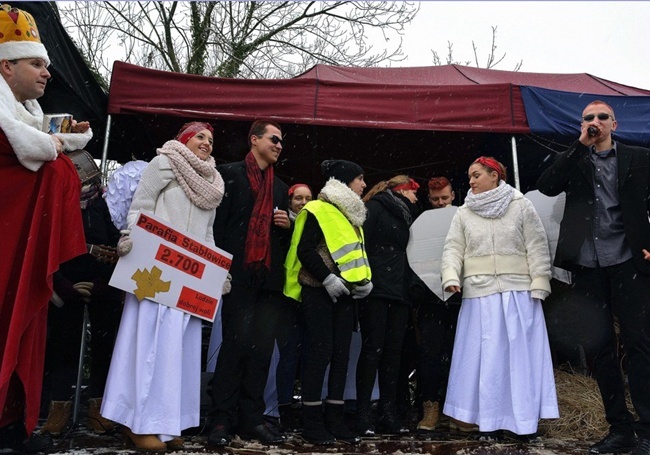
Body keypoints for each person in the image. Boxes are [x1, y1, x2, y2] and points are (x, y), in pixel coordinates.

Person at [0, 5, 92, 451]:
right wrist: (56, 150)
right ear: (6, 65)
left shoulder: (23, 120)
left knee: (23, 332)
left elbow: (42, 152)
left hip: (22, 248)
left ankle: (11, 426)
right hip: (7, 249)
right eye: (37, 62)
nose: (47, 73)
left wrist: (60, 140)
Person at [101, 122, 224, 452]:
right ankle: (137, 422)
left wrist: (216, 274)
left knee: (178, 352)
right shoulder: (165, 162)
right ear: (185, 139)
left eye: (211, 140)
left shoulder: (213, 182)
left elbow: (207, 234)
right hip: (154, 270)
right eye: (200, 136)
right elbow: (140, 205)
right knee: (149, 347)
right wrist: (130, 237)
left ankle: (168, 425)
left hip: (188, 279)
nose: (206, 143)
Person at [537, 101, 650, 455]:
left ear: (614, 124)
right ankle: (620, 429)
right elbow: (546, 186)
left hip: (629, 260)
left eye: (602, 117)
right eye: (588, 118)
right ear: (582, 125)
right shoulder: (576, 157)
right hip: (588, 264)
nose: (595, 122)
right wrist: (578, 146)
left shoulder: (639, 157)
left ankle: (647, 431)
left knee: (639, 345)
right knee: (600, 348)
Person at [441, 156, 558, 438]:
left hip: (518, 293)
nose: (471, 180)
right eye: (469, 176)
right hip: (479, 295)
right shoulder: (464, 213)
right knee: (484, 362)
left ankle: (523, 423)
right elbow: (453, 248)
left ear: (495, 175)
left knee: (519, 361)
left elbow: (537, 245)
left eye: (477, 174)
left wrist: (540, 281)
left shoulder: (520, 206)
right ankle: (487, 422)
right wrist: (450, 276)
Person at [207, 120, 291, 446]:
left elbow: (286, 244)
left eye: (282, 141)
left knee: (261, 353)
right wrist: (219, 269)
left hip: (268, 283)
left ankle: (251, 420)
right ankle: (220, 421)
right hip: (236, 276)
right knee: (233, 349)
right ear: (254, 139)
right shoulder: (227, 174)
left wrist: (287, 226)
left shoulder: (281, 188)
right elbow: (217, 227)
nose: (279, 145)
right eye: (274, 139)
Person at [284, 159, 372, 445]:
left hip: (346, 294)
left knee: (341, 356)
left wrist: (365, 282)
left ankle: (334, 418)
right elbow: (305, 250)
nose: (364, 185)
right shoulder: (317, 209)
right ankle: (311, 422)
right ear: (346, 182)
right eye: (360, 179)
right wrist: (327, 279)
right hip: (319, 292)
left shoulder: (353, 215)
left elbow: (355, 256)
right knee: (319, 353)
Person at [40, 161, 122, 436]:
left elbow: (116, 248)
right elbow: (47, 246)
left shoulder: (100, 206)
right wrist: (63, 284)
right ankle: (58, 409)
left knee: (105, 348)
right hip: (66, 286)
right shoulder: (55, 205)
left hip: (100, 287)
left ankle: (98, 409)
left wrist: (102, 283)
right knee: (63, 349)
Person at [355, 175, 420, 436]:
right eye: (416, 192)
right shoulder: (376, 208)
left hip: (399, 289)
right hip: (378, 288)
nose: (418, 198)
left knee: (393, 352)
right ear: (404, 190)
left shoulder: (407, 216)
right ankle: (362, 412)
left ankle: (387, 410)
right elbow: (363, 245)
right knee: (374, 349)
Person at [413, 176, 461, 432]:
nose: (441, 203)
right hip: (431, 300)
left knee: (461, 354)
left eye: (445, 197)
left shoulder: (465, 218)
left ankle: (459, 410)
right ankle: (430, 407)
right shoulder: (421, 224)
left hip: (463, 297)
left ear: (454, 195)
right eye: (435, 199)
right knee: (430, 354)